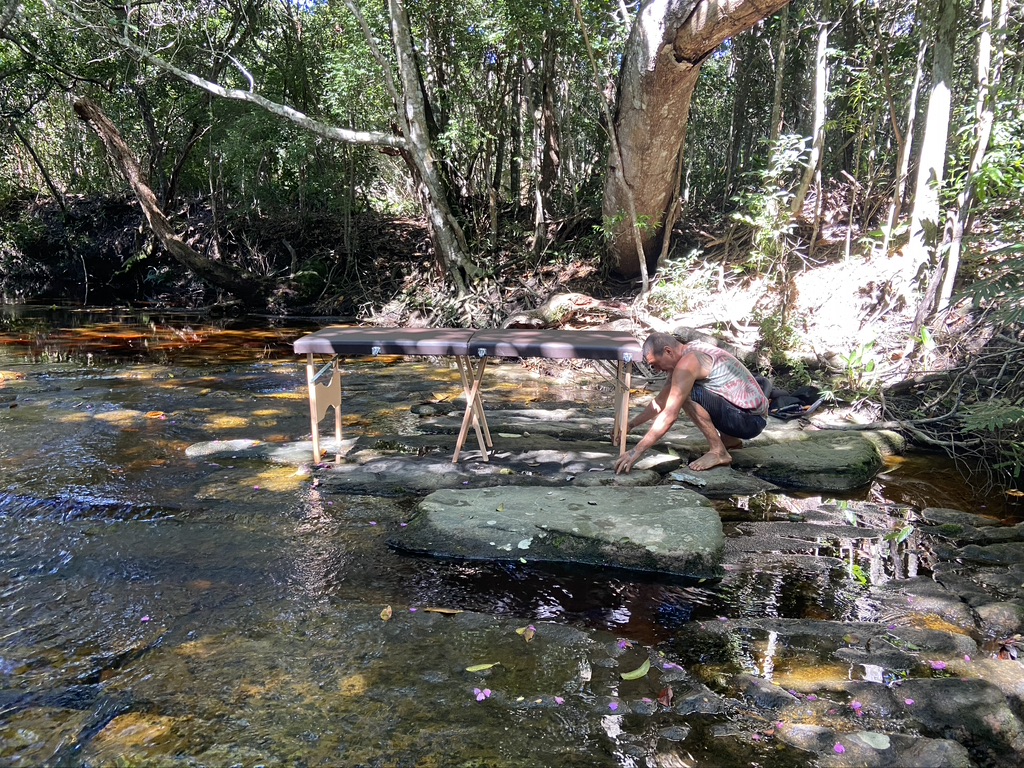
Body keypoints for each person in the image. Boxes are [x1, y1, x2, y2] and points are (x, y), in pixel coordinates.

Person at [614, 333, 768, 474]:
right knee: (684, 390)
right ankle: (729, 440)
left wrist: (636, 451)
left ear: (668, 351)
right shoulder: (687, 353)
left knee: (685, 395)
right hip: (750, 417)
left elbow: (669, 414)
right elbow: (661, 401)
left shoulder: (688, 363)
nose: (658, 370)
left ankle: (718, 452)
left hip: (749, 421)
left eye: (656, 364)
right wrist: (632, 424)